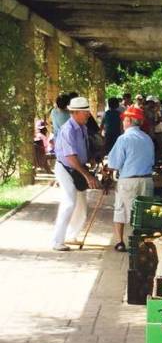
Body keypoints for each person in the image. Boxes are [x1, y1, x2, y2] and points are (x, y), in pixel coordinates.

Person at [51, 96, 100, 251]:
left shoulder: (82, 127)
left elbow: (83, 149)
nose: (87, 114)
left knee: (81, 207)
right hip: (65, 168)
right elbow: (71, 158)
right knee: (69, 203)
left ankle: (71, 235)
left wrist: (91, 158)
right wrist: (87, 175)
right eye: (84, 112)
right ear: (75, 112)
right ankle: (57, 241)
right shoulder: (68, 130)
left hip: (78, 167)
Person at [107, 106, 155, 252]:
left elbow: (114, 163)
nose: (123, 122)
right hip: (147, 180)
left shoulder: (124, 139)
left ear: (128, 120)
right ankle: (142, 242)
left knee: (120, 210)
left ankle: (121, 242)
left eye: (124, 120)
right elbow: (151, 160)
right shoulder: (147, 138)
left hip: (128, 180)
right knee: (143, 213)